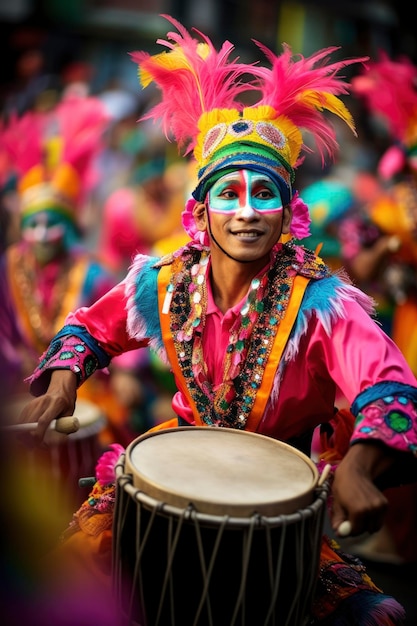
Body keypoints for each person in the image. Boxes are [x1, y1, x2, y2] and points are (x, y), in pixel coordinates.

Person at [16, 16, 417, 625]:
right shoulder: (163, 283)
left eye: (265, 194)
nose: (248, 212)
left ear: (290, 211)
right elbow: (89, 327)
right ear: (201, 210)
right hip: (168, 484)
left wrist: (360, 464)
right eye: (229, 194)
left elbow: (387, 385)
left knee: (380, 618)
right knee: (58, 582)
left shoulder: (324, 304)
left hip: (281, 511)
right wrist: (68, 373)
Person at [336, 52, 417, 565]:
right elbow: (359, 266)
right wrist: (394, 246)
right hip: (405, 331)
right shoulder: (386, 210)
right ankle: (399, 535)